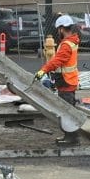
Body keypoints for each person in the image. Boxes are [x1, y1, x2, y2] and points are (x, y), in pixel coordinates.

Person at [35, 14, 80, 144]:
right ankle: (71, 137)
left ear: (62, 28)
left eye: (58, 29)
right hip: (68, 81)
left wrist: (42, 71)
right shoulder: (72, 41)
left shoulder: (66, 44)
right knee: (68, 110)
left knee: (66, 112)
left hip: (66, 82)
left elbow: (57, 61)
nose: (58, 32)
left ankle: (71, 138)